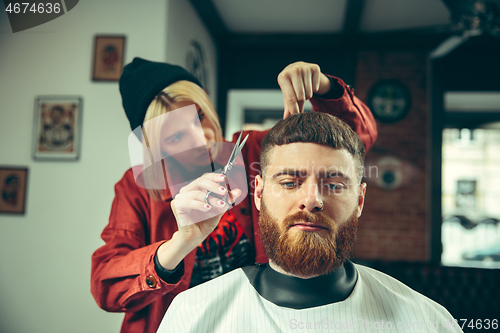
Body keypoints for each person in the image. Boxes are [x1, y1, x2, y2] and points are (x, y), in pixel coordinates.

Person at [91, 58, 378, 333]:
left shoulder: (251, 151)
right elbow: (107, 288)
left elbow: (351, 141)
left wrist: (324, 87)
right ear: (153, 145)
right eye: (176, 136)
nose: (200, 138)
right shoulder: (137, 189)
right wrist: (180, 243)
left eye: (198, 117)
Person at [157, 112, 462, 333]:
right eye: (290, 182)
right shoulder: (192, 313)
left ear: (359, 200)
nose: (313, 200)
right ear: (259, 194)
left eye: (334, 184)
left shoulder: (429, 322)